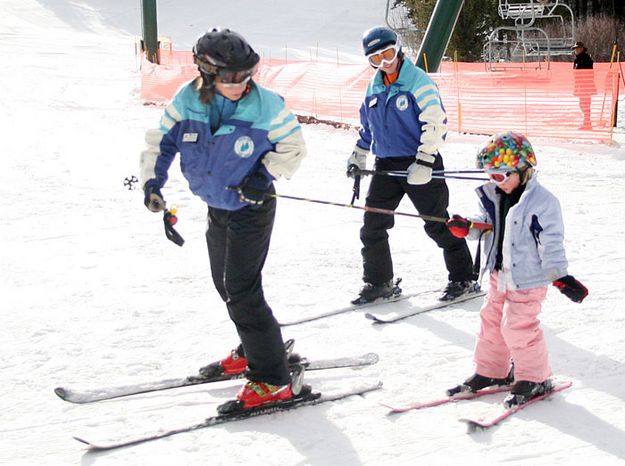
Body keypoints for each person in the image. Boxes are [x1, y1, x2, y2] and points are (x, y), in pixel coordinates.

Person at [140, 28, 307, 412]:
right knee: (225, 283)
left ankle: (272, 378)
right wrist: (153, 182)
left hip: (252, 207)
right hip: (218, 206)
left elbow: (294, 149)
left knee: (242, 289)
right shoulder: (187, 101)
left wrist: (261, 176)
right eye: (232, 76)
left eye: (247, 73)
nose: (241, 83)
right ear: (207, 72)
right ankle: (255, 348)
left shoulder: (267, 107)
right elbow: (160, 142)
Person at [445, 131, 588, 407]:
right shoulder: (494, 194)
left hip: (529, 280)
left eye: (499, 175)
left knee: (518, 327)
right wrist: (468, 227)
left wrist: (560, 276)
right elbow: (486, 224)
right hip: (499, 275)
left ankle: (536, 377)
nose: (494, 181)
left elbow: (551, 242)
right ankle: (492, 371)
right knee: (491, 323)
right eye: (490, 175)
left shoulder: (543, 203)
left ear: (523, 170)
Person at [346, 25, 476, 304]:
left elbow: (436, 122)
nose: (385, 62)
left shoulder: (418, 81)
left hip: (419, 161)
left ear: (398, 48)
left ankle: (464, 277)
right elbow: (368, 125)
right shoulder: (374, 86)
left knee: (437, 223)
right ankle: (379, 282)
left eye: (388, 53)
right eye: (376, 59)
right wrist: (359, 152)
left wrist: (425, 160)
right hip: (386, 164)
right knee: (373, 225)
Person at [572, 41, 595, 129]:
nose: (576, 50)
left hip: (585, 85)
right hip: (581, 85)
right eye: (575, 49)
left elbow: (587, 72)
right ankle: (586, 122)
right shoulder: (578, 59)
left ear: (581, 49)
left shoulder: (585, 58)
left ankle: (587, 123)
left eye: (577, 48)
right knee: (583, 104)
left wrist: (582, 83)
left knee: (585, 104)